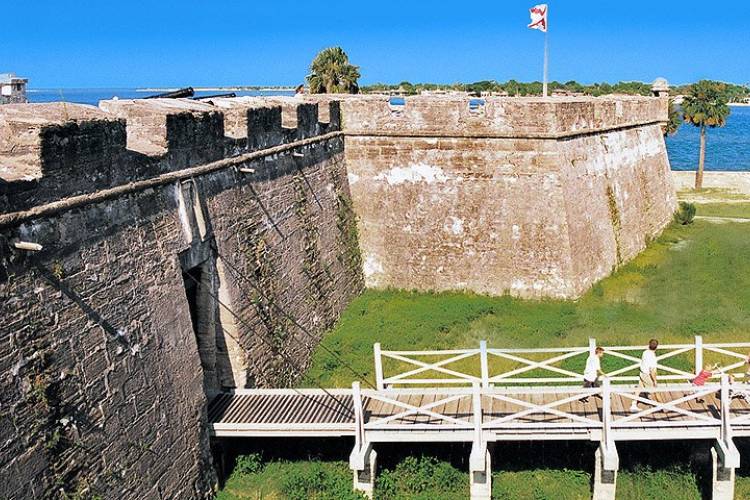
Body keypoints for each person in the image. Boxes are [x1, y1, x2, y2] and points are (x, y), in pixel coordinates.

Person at [631, 339, 658, 412]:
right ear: (656, 347)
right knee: (652, 391)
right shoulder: (653, 357)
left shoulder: (645, 352)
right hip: (647, 375)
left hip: (642, 372)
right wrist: (655, 380)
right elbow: (652, 371)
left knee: (639, 389)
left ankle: (634, 404)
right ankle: (657, 406)